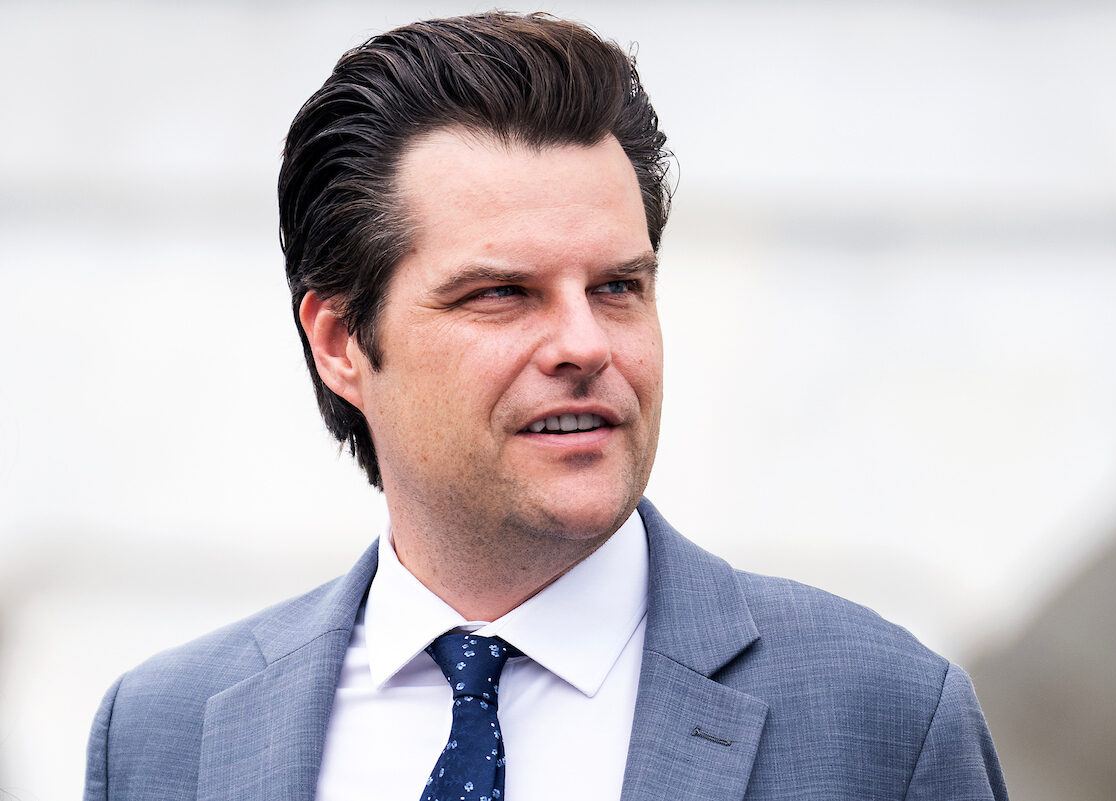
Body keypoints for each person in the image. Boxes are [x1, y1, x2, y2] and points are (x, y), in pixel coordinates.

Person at [84, 12, 1007, 801]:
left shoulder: (883, 719)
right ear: (339, 341)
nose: (585, 344)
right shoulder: (161, 737)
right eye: (501, 293)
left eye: (616, 286)